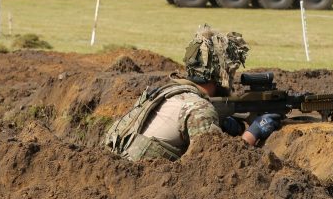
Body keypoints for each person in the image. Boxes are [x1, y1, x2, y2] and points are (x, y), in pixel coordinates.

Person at [104, 24, 282, 161]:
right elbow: (216, 166)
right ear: (221, 74)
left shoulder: (170, 92)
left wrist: (221, 124)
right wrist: (254, 132)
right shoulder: (199, 109)